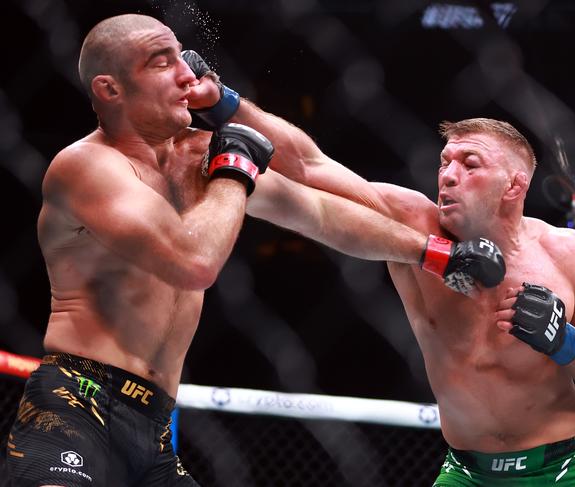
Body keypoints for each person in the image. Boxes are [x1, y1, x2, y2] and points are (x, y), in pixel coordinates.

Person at [5, 14, 506, 487]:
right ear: (109, 89)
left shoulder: (203, 155)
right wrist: (235, 173)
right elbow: (192, 261)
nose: (185, 74)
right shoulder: (88, 167)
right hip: (75, 403)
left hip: (154, 425)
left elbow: (319, 211)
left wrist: (435, 253)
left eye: (183, 56)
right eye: (161, 62)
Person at [181, 50, 575, 485]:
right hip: (466, 473)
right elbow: (307, 164)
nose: (448, 174)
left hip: (563, 470)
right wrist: (222, 102)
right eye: (445, 162)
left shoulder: (568, 254)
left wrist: (567, 343)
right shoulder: (411, 223)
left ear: (514, 184)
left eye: (469, 163)